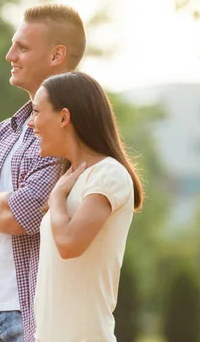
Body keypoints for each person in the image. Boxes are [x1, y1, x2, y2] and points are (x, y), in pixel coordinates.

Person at [0, 3, 87, 342]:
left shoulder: (70, 133)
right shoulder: (2, 133)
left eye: (22, 47)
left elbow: (17, 218)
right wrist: (4, 205)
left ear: (56, 55)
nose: (10, 55)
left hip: (33, 317)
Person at [28, 71, 143, 342]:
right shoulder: (71, 179)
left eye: (37, 112)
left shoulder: (108, 175)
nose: (32, 123)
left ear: (64, 117)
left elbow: (69, 243)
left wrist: (55, 200)